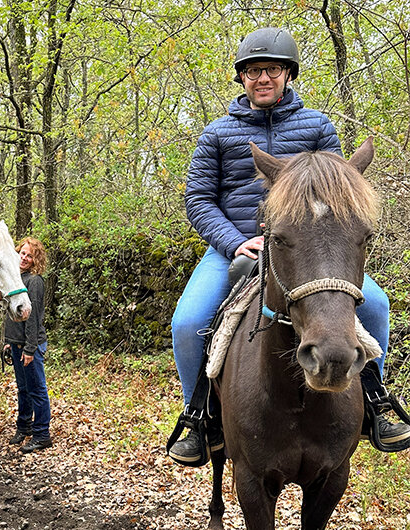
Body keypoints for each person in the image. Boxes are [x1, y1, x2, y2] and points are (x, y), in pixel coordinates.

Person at [168, 27, 410, 465]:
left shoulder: (318, 126)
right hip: (234, 246)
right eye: (253, 70)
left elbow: (341, 195)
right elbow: (199, 199)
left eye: (272, 69)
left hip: (311, 249)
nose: (263, 77)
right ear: (242, 77)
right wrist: (236, 242)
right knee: (187, 322)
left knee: (374, 303)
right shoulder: (217, 133)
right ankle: (200, 417)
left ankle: (375, 403)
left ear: (287, 74)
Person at [4, 238, 52, 453]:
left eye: (29, 255)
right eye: (22, 253)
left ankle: (42, 434)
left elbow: (33, 318)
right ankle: (24, 426)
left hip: (31, 345)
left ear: (36, 260)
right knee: (23, 389)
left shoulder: (34, 281)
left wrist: (30, 348)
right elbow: (8, 315)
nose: (24, 258)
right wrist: (7, 342)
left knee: (37, 390)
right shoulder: (14, 278)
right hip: (16, 344)